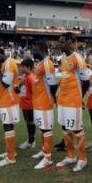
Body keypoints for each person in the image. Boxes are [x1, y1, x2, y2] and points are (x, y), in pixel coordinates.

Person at [56, 32, 90, 172]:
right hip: (62, 100)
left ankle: (82, 159)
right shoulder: (63, 57)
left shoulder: (78, 58)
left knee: (77, 130)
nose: (59, 44)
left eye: (62, 41)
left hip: (73, 100)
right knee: (65, 128)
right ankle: (71, 156)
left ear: (71, 43)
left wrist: (79, 98)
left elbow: (86, 81)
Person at [0, 46, 20, 167]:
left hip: (9, 100)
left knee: (8, 127)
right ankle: (11, 151)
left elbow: (6, 83)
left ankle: (10, 157)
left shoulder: (8, 64)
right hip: (7, 99)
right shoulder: (6, 63)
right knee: (9, 126)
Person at [31, 41, 57, 169]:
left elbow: (52, 85)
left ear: (42, 50)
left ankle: (48, 158)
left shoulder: (47, 63)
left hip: (45, 103)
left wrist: (53, 99)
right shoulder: (41, 63)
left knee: (46, 129)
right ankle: (44, 150)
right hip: (38, 102)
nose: (33, 51)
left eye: (35, 49)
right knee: (42, 128)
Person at [19, 58, 36, 150]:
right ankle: (30, 140)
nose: (21, 68)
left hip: (29, 104)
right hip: (24, 103)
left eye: (23, 67)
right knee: (28, 121)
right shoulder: (25, 76)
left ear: (29, 67)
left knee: (30, 122)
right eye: (21, 66)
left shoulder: (30, 78)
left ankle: (31, 141)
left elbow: (34, 92)